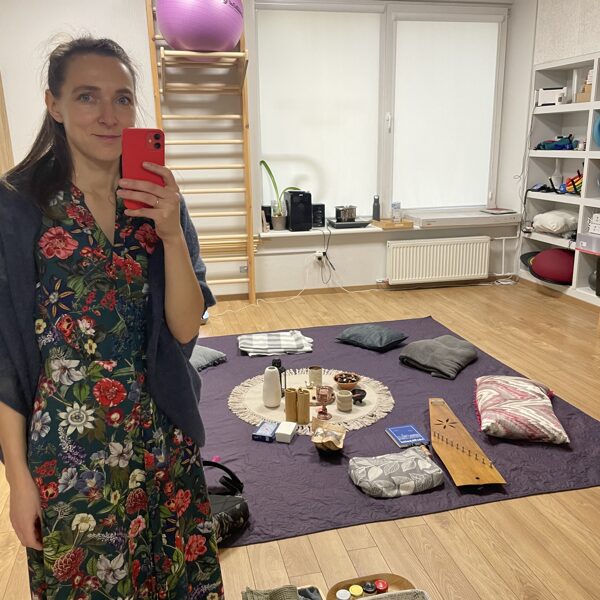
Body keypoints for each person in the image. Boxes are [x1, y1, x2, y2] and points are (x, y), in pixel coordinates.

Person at [0, 37, 223, 599]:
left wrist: (171, 234)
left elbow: (185, 328)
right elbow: (4, 357)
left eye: (122, 98)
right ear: (53, 104)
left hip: (162, 434)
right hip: (70, 450)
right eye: (87, 96)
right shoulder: (17, 207)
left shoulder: (157, 199)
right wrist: (17, 480)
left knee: (174, 580)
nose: (108, 114)